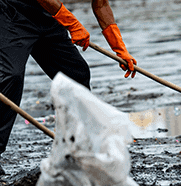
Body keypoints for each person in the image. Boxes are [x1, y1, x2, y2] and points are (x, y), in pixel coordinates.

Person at [0, 0, 136, 175]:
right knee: (11, 76)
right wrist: (72, 24)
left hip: (47, 16)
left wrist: (119, 48)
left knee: (77, 75)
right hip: (11, 13)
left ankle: (78, 148)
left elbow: (101, 5)